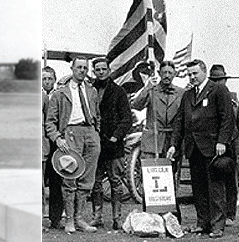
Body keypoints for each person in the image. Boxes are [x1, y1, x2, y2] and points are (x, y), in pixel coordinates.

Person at [166, 59, 237, 238]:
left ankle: (217, 226)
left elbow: (227, 118)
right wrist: (174, 144)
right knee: (198, 189)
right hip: (193, 148)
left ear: (203, 72)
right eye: (189, 74)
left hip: (213, 148)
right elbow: (180, 121)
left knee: (215, 187)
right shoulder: (188, 94)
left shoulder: (218, 90)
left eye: (195, 73)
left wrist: (222, 141)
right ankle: (202, 223)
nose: (192, 77)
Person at [46, 57, 101, 233]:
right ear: (72, 68)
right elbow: (50, 122)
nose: (82, 70)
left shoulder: (91, 91)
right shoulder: (60, 93)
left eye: (85, 68)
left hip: (90, 134)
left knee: (87, 179)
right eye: (79, 67)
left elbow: (97, 114)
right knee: (70, 177)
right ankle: (69, 219)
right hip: (70, 134)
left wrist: (96, 132)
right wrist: (58, 138)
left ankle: (79, 218)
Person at [131, 60, 185, 222]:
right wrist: (147, 87)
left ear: (174, 74)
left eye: (170, 73)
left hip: (172, 140)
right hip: (153, 139)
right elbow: (136, 104)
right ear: (160, 74)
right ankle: (151, 215)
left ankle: (171, 214)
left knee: (170, 177)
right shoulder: (152, 90)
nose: (167, 76)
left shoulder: (181, 93)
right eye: (164, 72)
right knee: (151, 177)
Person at [89, 57, 132, 230]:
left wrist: (116, 137)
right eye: (97, 69)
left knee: (115, 182)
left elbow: (126, 119)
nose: (100, 72)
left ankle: (117, 218)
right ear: (94, 71)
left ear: (109, 70)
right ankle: (97, 216)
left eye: (103, 69)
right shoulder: (89, 90)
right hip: (94, 144)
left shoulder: (119, 92)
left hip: (113, 145)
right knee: (96, 182)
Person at [209, 64, 239, 225]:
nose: (218, 83)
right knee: (215, 177)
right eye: (215, 80)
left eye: (220, 79)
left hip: (232, 141)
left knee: (230, 176)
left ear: (225, 80)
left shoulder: (232, 97)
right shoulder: (209, 95)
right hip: (214, 141)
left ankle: (230, 213)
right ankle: (216, 213)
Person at [42, 66, 64, 230]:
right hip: (43, 142)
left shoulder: (59, 95)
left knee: (57, 181)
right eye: (44, 78)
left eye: (50, 78)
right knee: (40, 182)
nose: (47, 82)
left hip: (56, 142)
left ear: (54, 80)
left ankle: (55, 218)